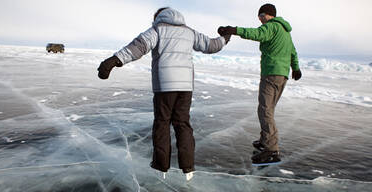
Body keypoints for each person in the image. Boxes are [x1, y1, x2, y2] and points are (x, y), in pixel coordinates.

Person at [97, 7, 230, 180]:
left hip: (165, 86)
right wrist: (227, 36)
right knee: (183, 124)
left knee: (162, 123)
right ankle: (188, 168)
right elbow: (212, 45)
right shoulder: (189, 32)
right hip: (185, 87)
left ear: (158, 17)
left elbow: (137, 48)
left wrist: (113, 61)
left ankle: (161, 166)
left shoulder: (157, 30)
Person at [218, 3, 302, 166]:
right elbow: (293, 52)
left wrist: (234, 30)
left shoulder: (272, 26)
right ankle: (265, 140)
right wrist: (296, 68)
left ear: (268, 15)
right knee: (268, 109)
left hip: (271, 73)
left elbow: (256, 34)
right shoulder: (285, 31)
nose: (259, 19)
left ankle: (271, 150)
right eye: (259, 16)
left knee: (265, 110)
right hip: (282, 75)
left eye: (261, 16)